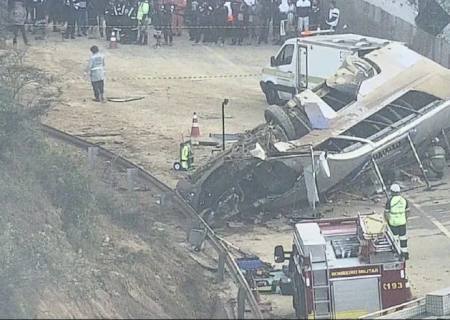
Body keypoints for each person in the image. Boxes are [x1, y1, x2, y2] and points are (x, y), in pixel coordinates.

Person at [384, 184, 409, 260]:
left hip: (393, 222)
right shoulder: (404, 200)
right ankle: (405, 253)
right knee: (403, 238)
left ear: (392, 192)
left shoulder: (390, 201)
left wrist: (387, 221)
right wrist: (405, 219)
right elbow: (407, 211)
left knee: (395, 238)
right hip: (402, 221)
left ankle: (396, 253)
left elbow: (386, 213)